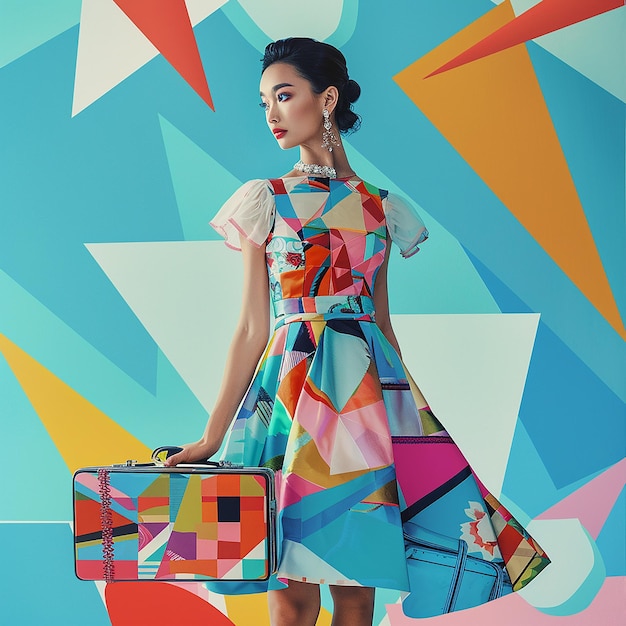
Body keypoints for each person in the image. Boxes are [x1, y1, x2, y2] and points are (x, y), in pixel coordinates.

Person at [165, 37, 549, 626]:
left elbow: (383, 325)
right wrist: (212, 437)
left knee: (356, 591)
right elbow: (250, 326)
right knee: (289, 593)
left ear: (328, 99)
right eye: (264, 100)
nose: (270, 113)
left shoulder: (382, 209)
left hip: (365, 404)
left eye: (284, 95)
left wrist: (417, 425)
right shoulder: (262, 200)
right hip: (289, 402)